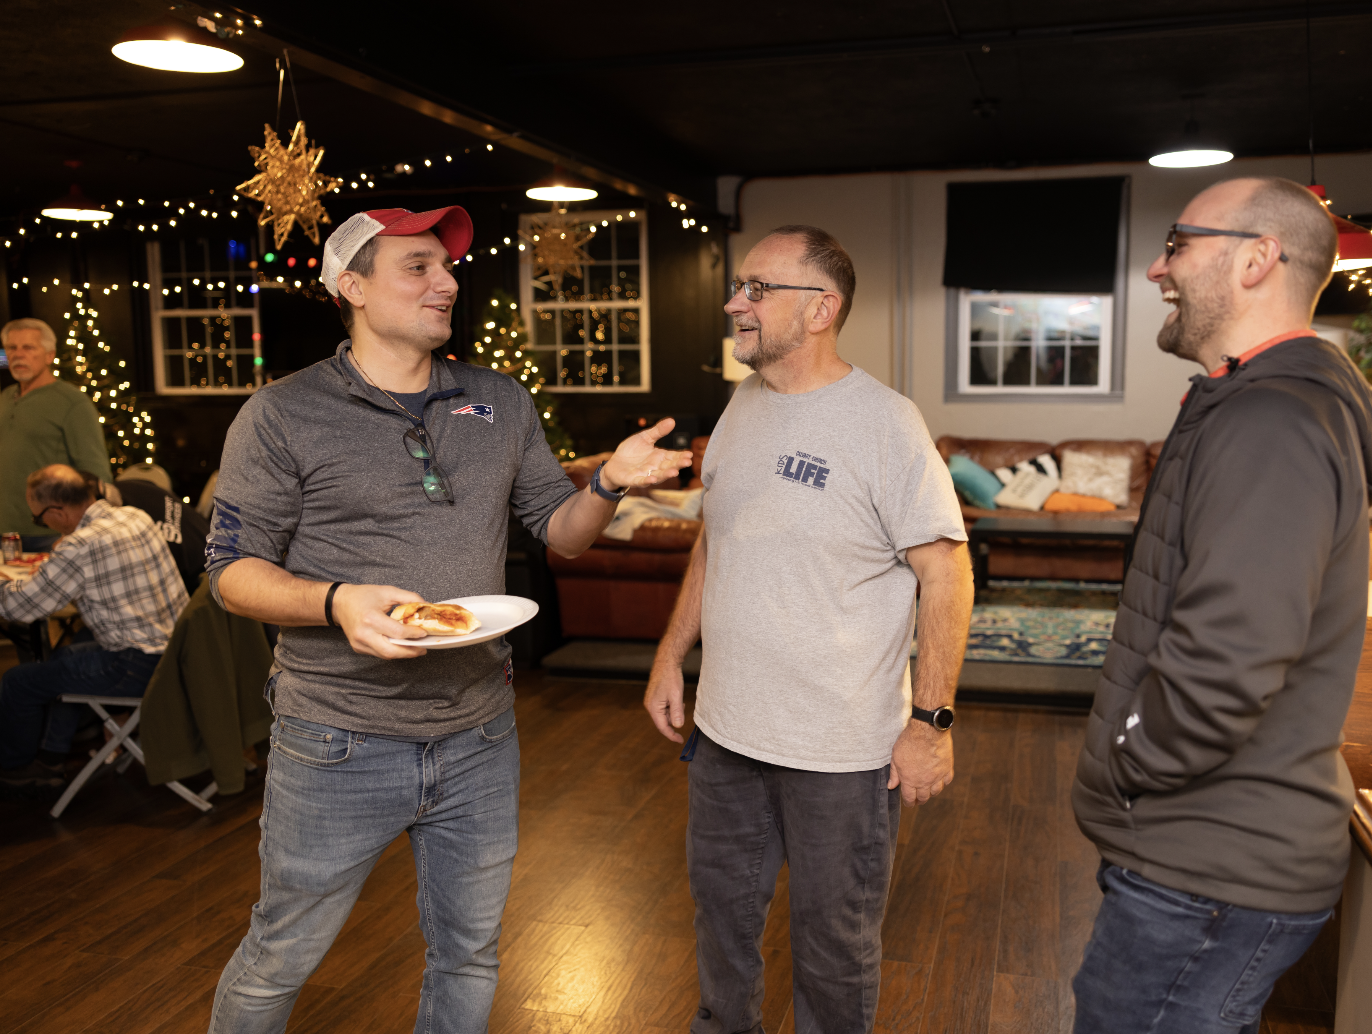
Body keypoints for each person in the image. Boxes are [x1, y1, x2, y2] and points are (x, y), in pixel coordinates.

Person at [203, 205, 690, 1034]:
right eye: (419, 266)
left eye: (448, 265)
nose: (448, 283)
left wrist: (608, 484)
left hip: (479, 735)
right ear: (353, 287)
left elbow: (562, 534)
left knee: (469, 954)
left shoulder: (497, 400)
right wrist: (334, 601)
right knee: (282, 951)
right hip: (336, 740)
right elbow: (231, 574)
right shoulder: (282, 412)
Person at [1068, 177, 1372, 1034]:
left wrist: (1130, 755)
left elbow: (1225, 665)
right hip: (1197, 861)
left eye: (1178, 245)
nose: (1157, 268)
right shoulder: (1247, 400)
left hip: (1206, 871)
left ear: (1256, 260)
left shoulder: (1273, 422)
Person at [644, 225, 973, 1034]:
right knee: (721, 927)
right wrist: (670, 654)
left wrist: (930, 724)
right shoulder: (742, 405)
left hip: (841, 755)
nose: (735, 303)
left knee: (833, 952)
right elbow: (717, 537)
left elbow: (947, 574)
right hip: (725, 738)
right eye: (738, 287)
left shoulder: (886, 423)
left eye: (758, 289)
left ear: (821, 309)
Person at [0, 465, 189, 793]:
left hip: (137, 665)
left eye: (39, 518)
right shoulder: (135, 516)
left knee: (17, 682)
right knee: (64, 657)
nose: (43, 524)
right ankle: (50, 759)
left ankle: (14, 767)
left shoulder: (81, 545)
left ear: (57, 511)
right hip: (176, 652)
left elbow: (23, 607)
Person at [0, 318, 113, 551]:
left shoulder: (72, 402)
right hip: (5, 528)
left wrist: (86, 529)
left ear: (49, 355)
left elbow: (95, 473)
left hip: (51, 530)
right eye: (12, 348)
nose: (18, 355)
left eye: (28, 348)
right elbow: (7, 464)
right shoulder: (6, 397)